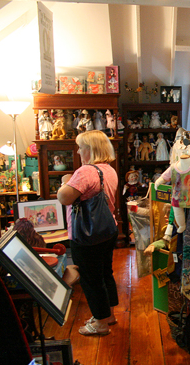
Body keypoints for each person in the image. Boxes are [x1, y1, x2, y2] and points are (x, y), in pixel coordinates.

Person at [57, 130, 119, 336]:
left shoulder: (85, 172)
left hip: (86, 234)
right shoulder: (109, 169)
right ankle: (108, 314)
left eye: (80, 147)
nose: (77, 151)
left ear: (90, 149)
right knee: (104, 273)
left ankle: (100, 324)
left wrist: (66, 181)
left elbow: (64, 198)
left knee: (91, 279)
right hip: (107, 229)